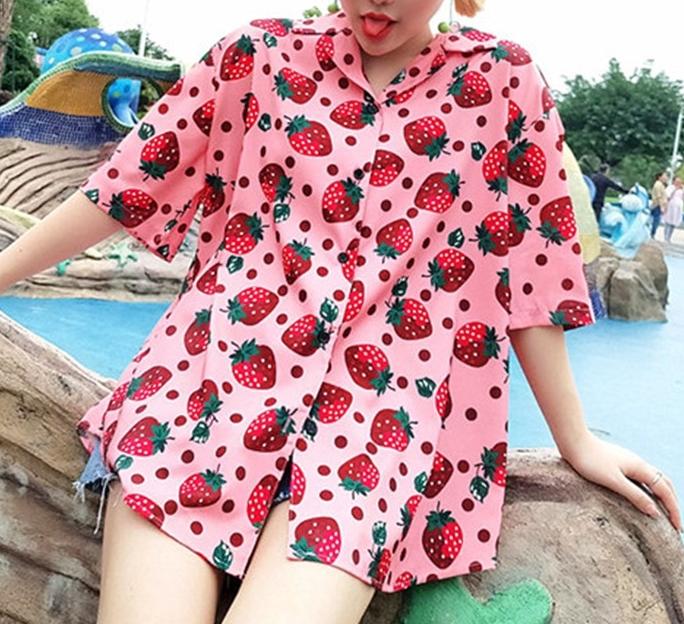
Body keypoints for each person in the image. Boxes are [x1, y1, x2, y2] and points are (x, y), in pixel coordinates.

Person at [0, 1, 681, 622]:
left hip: (375, 432)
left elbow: (530, 278)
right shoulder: (258, 56)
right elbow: (126, 187)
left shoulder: (503, 84)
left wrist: (575, 439)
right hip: (202, 394)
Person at [662, 176, 684, 244]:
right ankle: (666, 237)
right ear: (674, 181)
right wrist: (675, 189)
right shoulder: (670, 187)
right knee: (668, 222)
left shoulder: (682, 189)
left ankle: (669, 237)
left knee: (674, 223)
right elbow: (667, 196)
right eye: (677, 181)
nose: (678, 183)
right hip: (670, 207)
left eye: (679, 182)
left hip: (678, 208)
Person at [650, 170, 669, 239]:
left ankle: (652, 234)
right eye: (664, 176)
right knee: (656, 220)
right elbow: (659, 197)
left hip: (658, 205)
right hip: (657, 205)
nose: (666, 177)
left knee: (656, 220)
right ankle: (652, 234)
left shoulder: (661, 185)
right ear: (659, 177)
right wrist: (661, 207)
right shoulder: (658, 185)